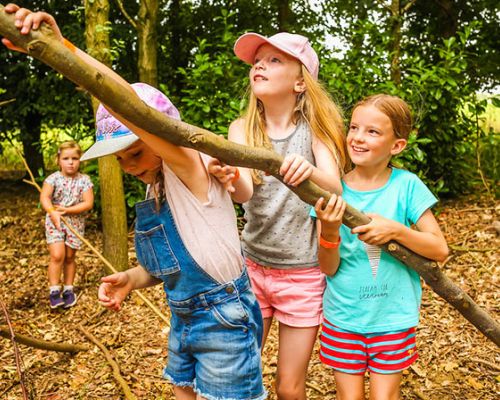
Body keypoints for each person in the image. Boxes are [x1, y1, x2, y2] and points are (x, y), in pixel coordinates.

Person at [4, 6, 266, 400]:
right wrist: (132, 278)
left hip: (223, 320)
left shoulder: (187, 169)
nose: (128, 166)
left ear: (162, 137)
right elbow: (170, 265)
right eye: (119, 159)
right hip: (184, 319)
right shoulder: (155, 187)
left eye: (136, 153)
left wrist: (61, 50)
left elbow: (126, 101)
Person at [209, 32, 347, 399]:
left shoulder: (314, 130)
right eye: (257, 61)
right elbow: (245, 193)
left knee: (289, 388)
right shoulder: (242, 129)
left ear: (301, 82)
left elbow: (334, 187)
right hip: (251, 269)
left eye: (274, 61)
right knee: (239, 374)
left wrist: (305, 168)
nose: (259, 65)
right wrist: (229, 177)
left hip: (302, 275)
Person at [313, 94, 449, 400]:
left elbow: (439, 249)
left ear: (397, 145)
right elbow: (327, 267)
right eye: (355, 128)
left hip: (393, 318)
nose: (358, 138)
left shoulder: (407, 186)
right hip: (343, 317)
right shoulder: (333, 190)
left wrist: (396, 230)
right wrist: (331, 230)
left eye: (373, 132)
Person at [40, 140, 94, 309]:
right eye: (66, 158)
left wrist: (68, 210)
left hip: (75, 222)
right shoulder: (53, 179)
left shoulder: (84, 180)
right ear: (59, 160)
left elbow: (88, 203)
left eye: (75, 158)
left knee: (70, 257)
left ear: (80, 160)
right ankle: (55, 291)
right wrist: (53, 211)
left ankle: (68, 290)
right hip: (55, 221)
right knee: (57, 255)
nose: (70, 162)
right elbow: (45, 197)